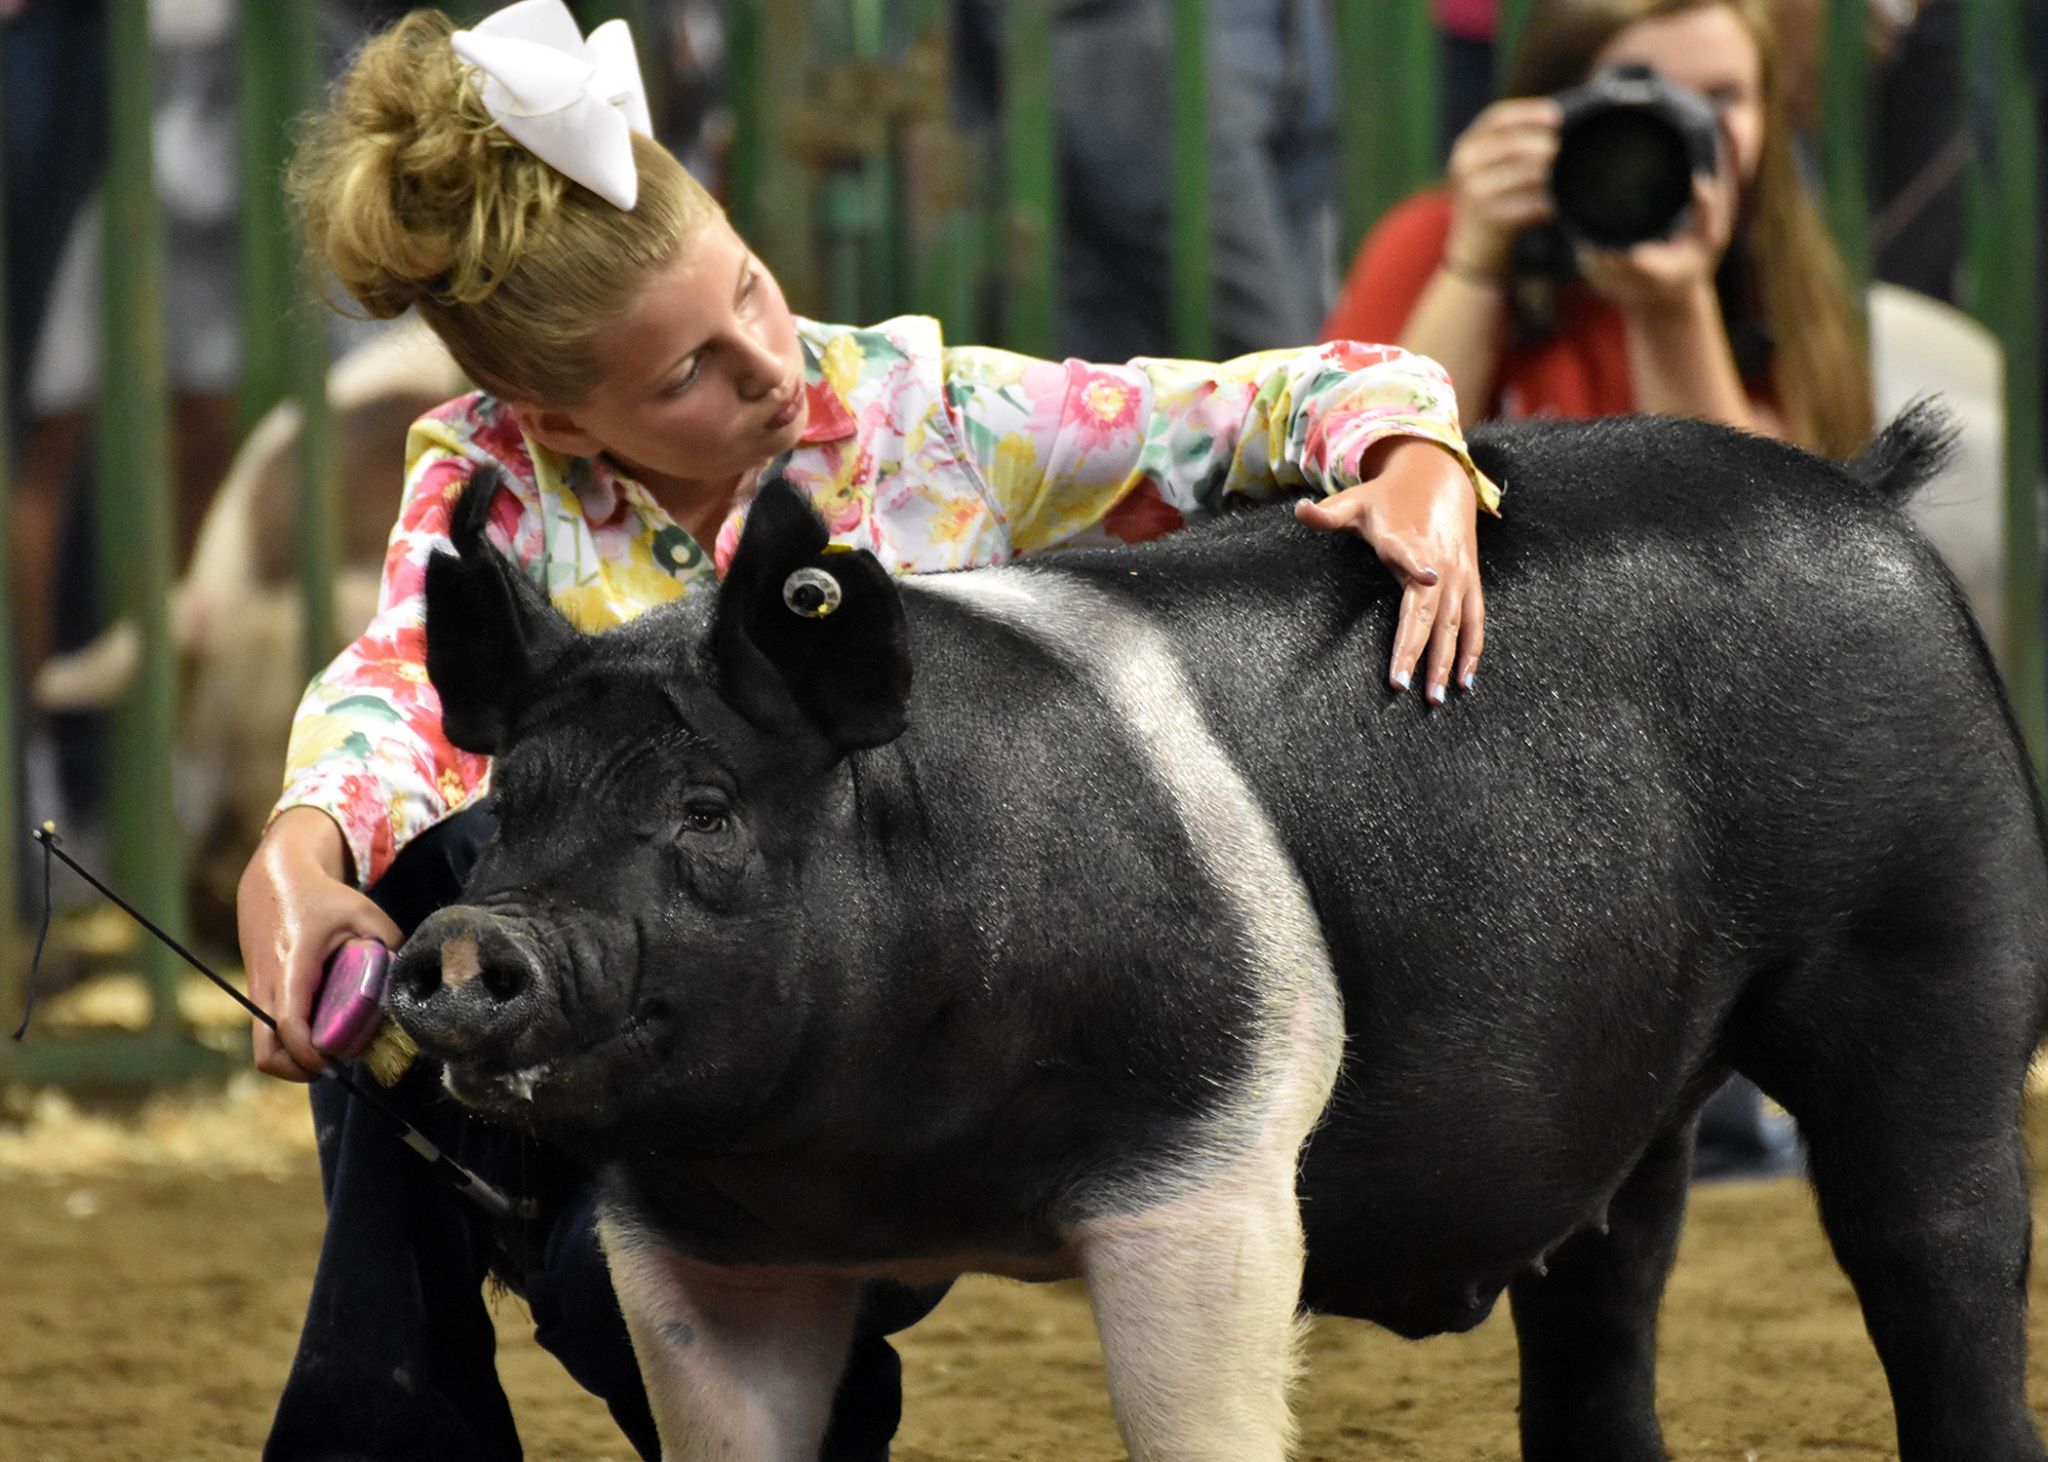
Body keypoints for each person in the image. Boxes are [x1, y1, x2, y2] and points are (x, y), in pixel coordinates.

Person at [235, 2, 1499, 1456]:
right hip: (645, 1034)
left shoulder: (915, 405)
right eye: (685, 374)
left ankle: (394, 1409)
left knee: (602, 1254)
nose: (770, 367)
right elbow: (397, 694)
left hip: (902, 1044)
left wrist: (1409, 450)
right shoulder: (491, 477)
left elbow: (1260, 400)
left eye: (752, 296)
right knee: (412, 904)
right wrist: (300, 842)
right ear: (558, 423)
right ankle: (410, 1380)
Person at [1322, 0, 1873, 459]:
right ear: (1553, 108)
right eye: (1644, 93)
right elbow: (1363, 472)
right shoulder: (1438, 238)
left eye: (1721, 98)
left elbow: (1763, 554)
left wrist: (1676, 312)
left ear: (1767, 117)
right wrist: (1474, 270)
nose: (1679, 128)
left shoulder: (1774, 273)